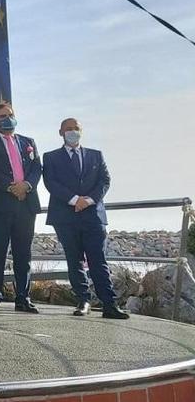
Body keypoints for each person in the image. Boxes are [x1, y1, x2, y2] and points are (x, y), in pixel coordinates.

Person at [43, 118, 129, 319]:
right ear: (60, 132)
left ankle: (109, 304)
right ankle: (84, 300)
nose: (72, 132)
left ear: (81, 131)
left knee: (98, 260)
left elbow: (105, 181)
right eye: (68, 129)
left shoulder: (96, 155)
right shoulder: (50, 157)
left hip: (93, 216)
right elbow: (51, 183)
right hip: (65, 216)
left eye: (76, 129)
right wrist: (74, 200)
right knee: (74, 261)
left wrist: (89, 200)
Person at [0, 101, 41, 313]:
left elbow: (37, 167)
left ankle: (23, 298)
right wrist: (10, 187)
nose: (7, 119)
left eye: (10, 114)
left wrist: (26, 185)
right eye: (2, 116)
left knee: (23, 254)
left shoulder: (28, 142)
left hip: (26, 204)